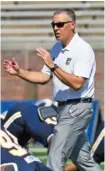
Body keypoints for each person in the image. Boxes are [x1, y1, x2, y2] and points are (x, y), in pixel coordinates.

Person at [3, 8, 102, 171]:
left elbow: (77, 83)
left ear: (72, 25)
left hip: (77, 108)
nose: (56, 28)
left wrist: (53, 65)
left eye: (60, 24)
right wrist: (19, 72)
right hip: (63, 109)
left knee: (55, 159)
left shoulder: (83, 49)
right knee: (84, 161)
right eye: (53, 24)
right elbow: (43, 77)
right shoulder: (57, 48)